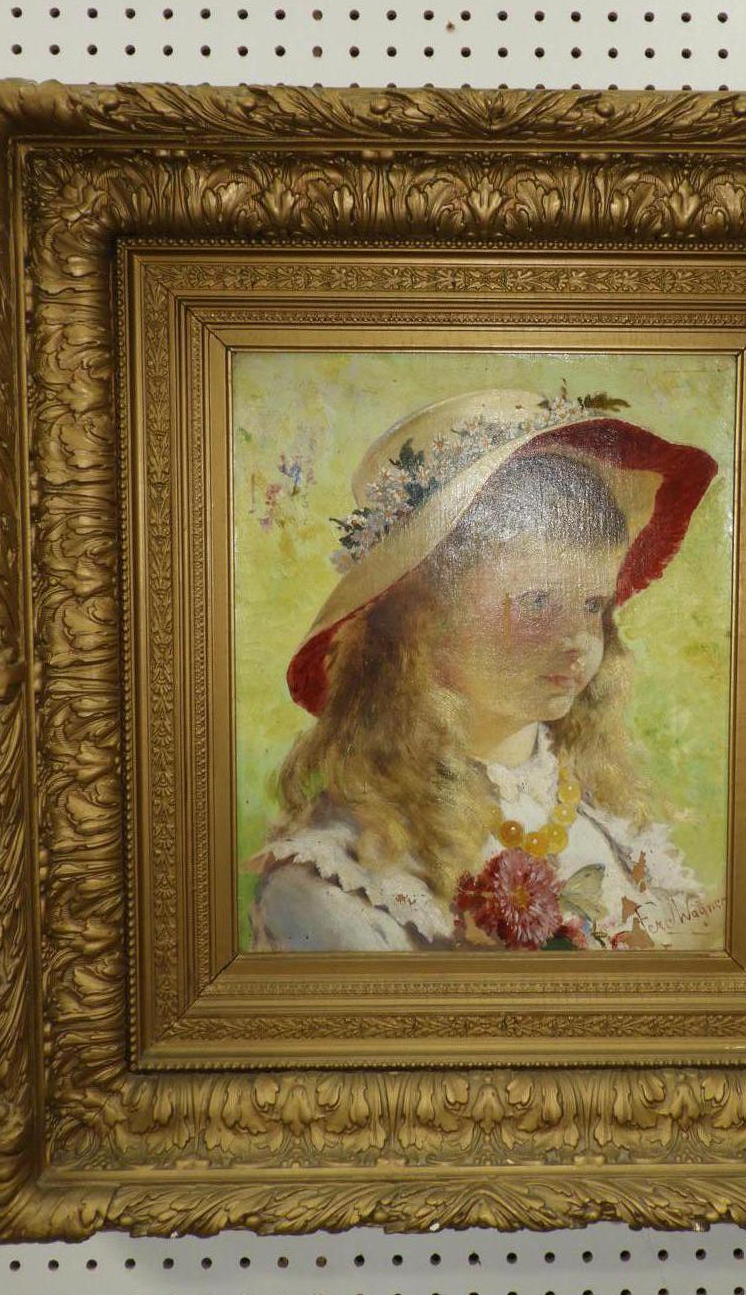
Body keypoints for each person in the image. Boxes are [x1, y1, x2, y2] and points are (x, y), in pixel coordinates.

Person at [247, 387, 720, 952]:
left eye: (593, 605)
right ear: (423, 624)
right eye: (536, 603)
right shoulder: (338, 882)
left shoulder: (613, 827)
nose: (576, 642)